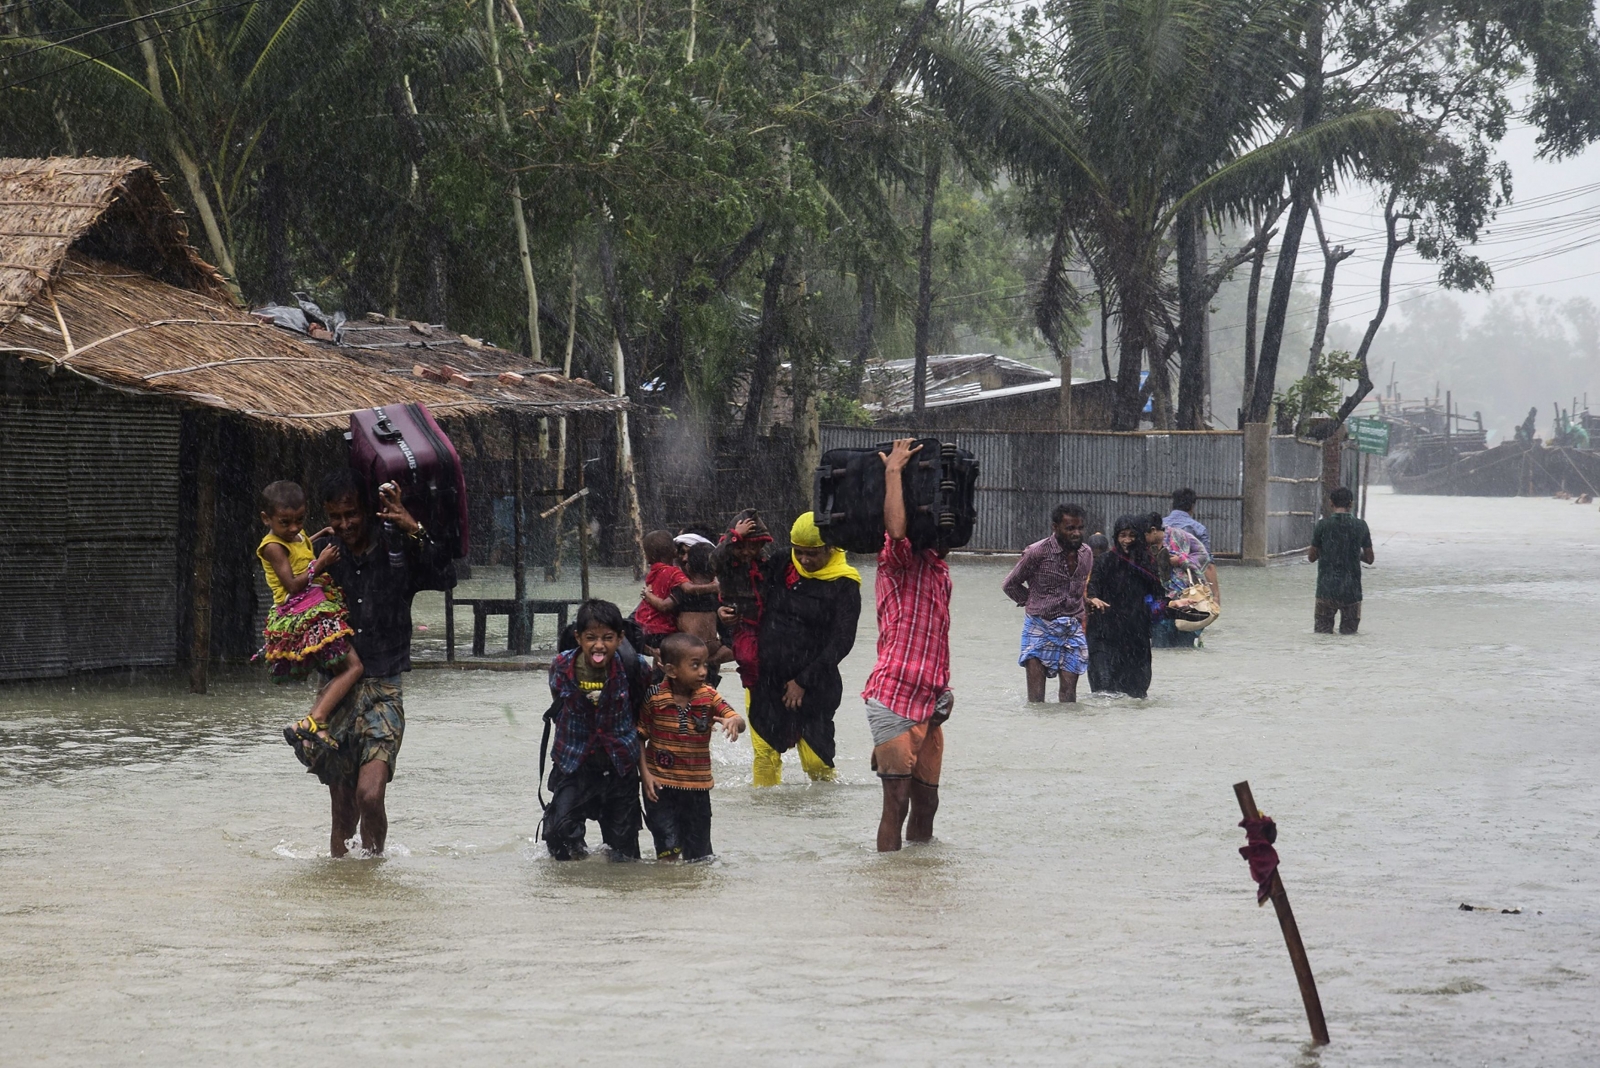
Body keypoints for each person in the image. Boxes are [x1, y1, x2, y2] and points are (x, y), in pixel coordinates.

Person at [312, 470, 455, 857]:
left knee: (370, 795)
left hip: (384, 691)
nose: (344, 525)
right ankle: (347, 891)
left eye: (351, 514)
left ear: (368, 510)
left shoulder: (398, 548)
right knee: (342, 813)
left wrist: (415, 528)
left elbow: (447, 575)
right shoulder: (325, 554)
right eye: (335, 517)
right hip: (335, 691)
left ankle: (374, 867)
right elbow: (285, 590)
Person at [864, 439, 953, 852]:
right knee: (895, 803)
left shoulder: (940, 571)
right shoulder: (898, 563)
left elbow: (939, 637)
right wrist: (894, 472)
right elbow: (896, 529)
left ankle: (918, 876)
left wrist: (944, 690)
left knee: (928, 803)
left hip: (931, 700)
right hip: (894, 697)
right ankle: (888, 882)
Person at [747, 511, 862, 786]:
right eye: (799, 553)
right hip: (766, 679)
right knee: (765, 756)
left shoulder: (845, 583)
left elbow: (842, 641)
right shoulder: (782, 562)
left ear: (831, 548)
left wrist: (803, 681)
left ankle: (823, 819)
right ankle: (766, 820)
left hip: (815, 684)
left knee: (816, 765)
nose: (804, 560)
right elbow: (751, 594)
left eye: (813, 554)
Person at [256, 480, 364, 754]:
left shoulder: (294, 536)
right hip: (304, 610)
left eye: (300, 520)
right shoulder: (271, 547)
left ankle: (311, 726)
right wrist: (321, 563)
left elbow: (299, 548)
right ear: (266, 519)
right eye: (285, 522)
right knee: (354, 668)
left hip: (315, 603)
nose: (294, 528)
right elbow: (292, 584)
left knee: (340, 669)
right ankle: (314, 719)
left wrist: (317, 535)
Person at [542, 599, 651, 860]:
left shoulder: (634, 666)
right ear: (578, 637)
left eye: (608, 638)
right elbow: (558, 699)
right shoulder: (561, 665)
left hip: (619, 766)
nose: (599, 645)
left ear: (620, 638)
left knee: (624, 853)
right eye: (591, 638)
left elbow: (643, 708)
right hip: (574, 763)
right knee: (558, 835)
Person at [638, 632, 746, 860]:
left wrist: (732, 721)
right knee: (667, 849)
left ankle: (694, 891)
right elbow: (639, 737)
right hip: (660, 787)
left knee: (698, 856)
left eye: (705, 665)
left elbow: (736, 718)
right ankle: (669, 888)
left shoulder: (709, 696)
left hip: (697, 788)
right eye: (695, 666)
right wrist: (645, 775)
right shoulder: (654, 699)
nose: (703, 672)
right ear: (670, 670)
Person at [1001, 503, 1092, 703]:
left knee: (1069, 700)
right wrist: (1031, 601)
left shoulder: (1086, 554)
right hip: (1039, 626)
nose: (1076, 533)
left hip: (1072, 628)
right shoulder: (1037, 552)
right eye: (1070, 529)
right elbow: (1010, 584)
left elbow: (1078, 590)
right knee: (1036, 702)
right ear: (1055, 527)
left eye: (1080, 528)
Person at [1086, 514, 1169, 699]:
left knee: (1136, 694)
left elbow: (1158, 595)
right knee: (1104, 693)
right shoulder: (1104, 561)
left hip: (1135, 636)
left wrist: (1173, 606)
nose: (1127, 540)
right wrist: (1093, 599)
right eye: (1123, 535)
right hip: (1104, 634)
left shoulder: (1147, 564)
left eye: (1132, 535)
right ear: (1116, 536)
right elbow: (1092, 590)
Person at [712, 509, 774, 694]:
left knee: (770, 658)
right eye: (740, 547)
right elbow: (713, 562)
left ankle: (768, 686)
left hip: (768, 619)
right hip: (742, 620)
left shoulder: (766, 560)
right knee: (747, 658)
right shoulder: (727, 563)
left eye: (753, 547)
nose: (746, 552)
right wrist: (734, 536)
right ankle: (755, 688)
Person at [1146, 512, 1220, 649]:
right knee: (1160, 646)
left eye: (1145, 534)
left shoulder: (1179, 536)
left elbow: (1204, 556)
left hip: (1187, 599)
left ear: (1153, 531)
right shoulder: (1143, 547)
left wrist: (1181, 560)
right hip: (1162, 603)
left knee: (1184, 648)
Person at [635, 528, 713, 653]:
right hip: (664, 634)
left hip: (646, 630)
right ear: (674, 552)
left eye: (689, 554)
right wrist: (715, 587)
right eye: (681, 552)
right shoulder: (674, 575)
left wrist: (647, 595)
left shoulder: (654, 573)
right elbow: (686, 590)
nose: (684, 559)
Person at [1308, 486, 1374, 634]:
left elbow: (1311, 557)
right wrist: (1354, 552)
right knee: (1349, 637)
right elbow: (1370, 558)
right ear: (1351, 504)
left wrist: (1328, 549)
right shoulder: (1360, 526)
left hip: (1326, 590)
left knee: (1322, 637)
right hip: (1352, 592)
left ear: (1331, 503)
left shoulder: (1323, 525)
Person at [671, 541, 728, 679]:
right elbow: (734, 644)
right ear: (715, 569)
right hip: (706, 673)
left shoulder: (677, 594)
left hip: (677, 671)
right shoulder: (720, 598)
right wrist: (707, 661)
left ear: (689, 567)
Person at [1163, 488, 1211, 552]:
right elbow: (1206, 558)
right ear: (1192, 506)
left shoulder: (1159, 524)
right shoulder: (1199, 529)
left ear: (1173, 504)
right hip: (1190, 561)